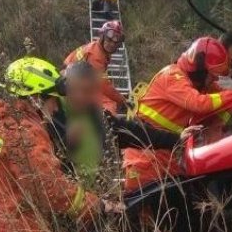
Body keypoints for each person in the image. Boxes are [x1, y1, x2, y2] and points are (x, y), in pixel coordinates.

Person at [0, 57, 122, 232]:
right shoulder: (24, 129)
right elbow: (50, 188)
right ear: (36, 99)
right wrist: (99, 205)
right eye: (52, 100)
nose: (55, 107)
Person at [122, 37, 232, 193]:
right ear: (200, 70)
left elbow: (222, 97)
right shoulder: (173, 77)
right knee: (149, 210)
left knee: (181, 204)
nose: (215, 79)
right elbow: (199, 103)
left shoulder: (198, 83)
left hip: (166, 152)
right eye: (212, 75)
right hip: (145, 155)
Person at [46, 61, 188, 190]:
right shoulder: (50, 115)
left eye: (88, 91)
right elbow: (43, 169)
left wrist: (177, 139)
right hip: (70, 202)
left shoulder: (96, 115)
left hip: (100, 198)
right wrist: (66, 143)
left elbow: (133, 132)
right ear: (65, 87)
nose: (83, 96)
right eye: (78, 89)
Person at [64, 20, 127, 114]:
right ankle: (104, 128)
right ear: (102, 37)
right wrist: (122, 100)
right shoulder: (96, 55)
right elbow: (103, 85)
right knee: (109, 104)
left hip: (75, 78)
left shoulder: (98, 49)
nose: (112, 45)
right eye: (109, 40)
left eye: (115, 43)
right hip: (71, 82)